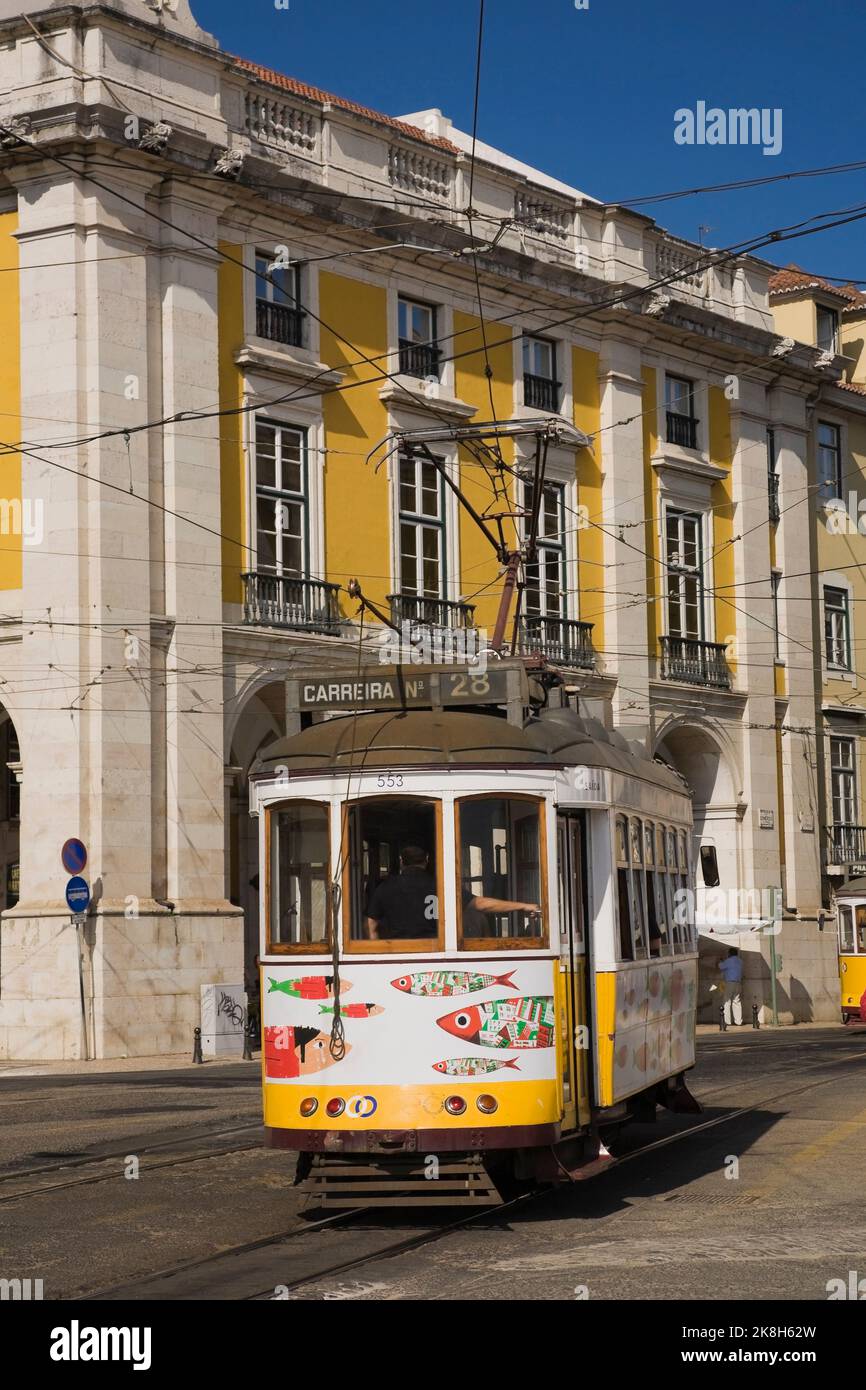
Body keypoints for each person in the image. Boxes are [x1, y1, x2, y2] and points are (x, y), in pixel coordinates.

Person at [365, 845, 438, 940]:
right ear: (427, 859)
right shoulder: (440, 886)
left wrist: (377, 950)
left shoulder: (386, 887)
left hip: (397, 949)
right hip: (434, 949)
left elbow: (370, 924)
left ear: (401, 860)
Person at [718, 946, 744, 1026]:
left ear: (729, 954)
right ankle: (738, 1021)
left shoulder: (728, 961)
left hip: (730, 983)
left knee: (727, 1001)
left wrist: (720, 961)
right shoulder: (740, 961)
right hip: (738, 983)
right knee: (737, 1001)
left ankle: (727, 1021)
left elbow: (720, 966)